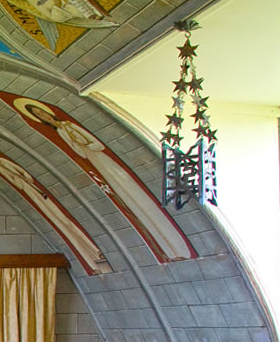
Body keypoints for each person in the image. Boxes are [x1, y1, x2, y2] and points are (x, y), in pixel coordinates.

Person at [18, 99, 194, 262]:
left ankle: (177, 248)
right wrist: (82, 149)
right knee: (128, 202)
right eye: (39, 115)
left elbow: (96, 144)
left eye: (42, 112)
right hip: (94, 161)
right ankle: (167, 249)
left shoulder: (68, 125)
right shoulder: (61, 131)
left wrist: (87, 146)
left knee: (135, 195)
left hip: (103, 159)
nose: (44, 116)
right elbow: (77, 151)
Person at [0, 140, 110, 275]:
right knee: (59, 222)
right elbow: (19, 184)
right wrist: (20, 180)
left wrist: (24, 178)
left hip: (37, 191)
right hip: (31, 192)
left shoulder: (2, 161)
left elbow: (25, 174)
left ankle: (96, 253)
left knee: (65, 221)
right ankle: (93, 260)